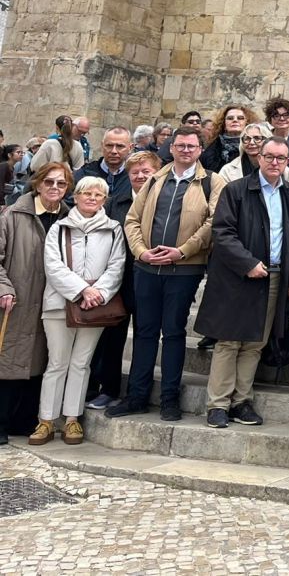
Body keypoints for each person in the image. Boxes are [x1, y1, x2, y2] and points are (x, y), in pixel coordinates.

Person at [110, 127, 219, 421]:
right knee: (145, 331)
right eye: (180, 145)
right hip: (146, 267)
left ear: (200, 150)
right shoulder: (156, 178)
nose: (185, 150)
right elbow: (132, 219)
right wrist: (140, 251)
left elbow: (213, 222)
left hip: (184, 269)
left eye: (191, 146)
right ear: (171, 149)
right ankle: (137, 396)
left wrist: (182, 250)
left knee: (173, 332)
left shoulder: (212, 181)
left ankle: (170, 398)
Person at [196, 138, 289, 428]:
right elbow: (223, 232)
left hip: (274, 276)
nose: (275, 162)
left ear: (287, 162)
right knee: (229, 340)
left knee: (255, 342)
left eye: (281, 158)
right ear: (259, 158)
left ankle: (242, 401)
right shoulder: (237, 190)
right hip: (238, 276)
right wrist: (248, 263)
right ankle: (218, 404)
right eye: (269, 156)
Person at [30, 176, 126, 447]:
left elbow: (116, 265)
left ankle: (72, 417)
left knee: (81, 363)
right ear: (77, 196)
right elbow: (54, 266)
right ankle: (46, 419)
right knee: (57, 362)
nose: (92, 198)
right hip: (59, 304)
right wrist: (82, 290)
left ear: (104, 200)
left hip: (95, 308)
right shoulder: (59, 228)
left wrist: (98, 294)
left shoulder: (113, 229)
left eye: (98, 195)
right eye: (87, 193)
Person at [0, 163, 73, 445]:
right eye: (49, 182)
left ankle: (26, 420)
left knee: (40, 363)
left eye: (62, 184)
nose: (55, 188)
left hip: (52, 303)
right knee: (9, 361)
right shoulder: (12, 216)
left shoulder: (69, 218)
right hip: (17, 300)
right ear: (37, 184)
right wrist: (4, 288)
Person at [84, 150, 160, 411]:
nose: (140, 176)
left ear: (156, 173)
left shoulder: (164, 200)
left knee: (144, 335)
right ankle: (109, 388)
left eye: (145, 171)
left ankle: (138, 393)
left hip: (151, 278)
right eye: (134, 172)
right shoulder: (116, 202)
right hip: (119, 278)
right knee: (112, 335)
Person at [218, 122, 289, 186]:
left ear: (268, 141)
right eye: (247, 139)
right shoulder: (228, 171)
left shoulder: (282, 169)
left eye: (257, 138)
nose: (251, 143)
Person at [202, 105, 259, 172]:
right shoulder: (212, 150)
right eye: (230, 118)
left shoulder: (256, 145)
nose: (235, 120)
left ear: (247, 123)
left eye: (240, 118)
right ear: (224, 124)